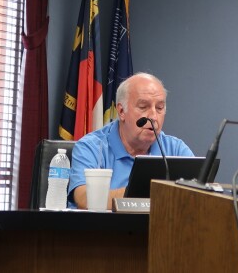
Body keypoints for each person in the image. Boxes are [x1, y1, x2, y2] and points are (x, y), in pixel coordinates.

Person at [68, 72, 193, 209]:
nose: (153, 116)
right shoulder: (91, 146)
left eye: (159, 108)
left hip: (161, 228)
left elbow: (200, 194)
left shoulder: (175, 149)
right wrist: (154, 192)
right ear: (121, 111)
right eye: (143, 107)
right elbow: (84, 198)